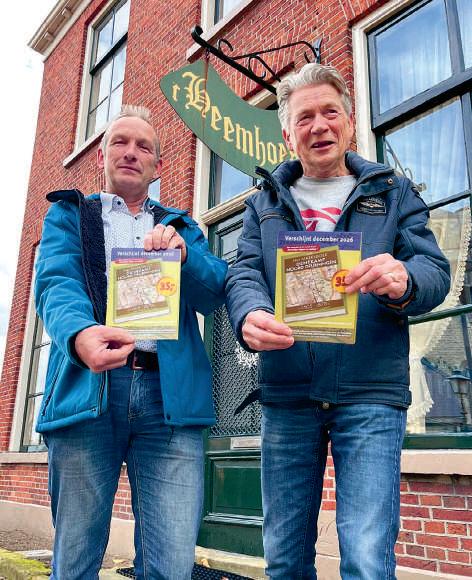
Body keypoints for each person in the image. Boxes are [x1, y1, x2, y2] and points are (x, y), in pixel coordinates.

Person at [225, 64, 450, 579]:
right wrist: (249, 313)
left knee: (367, 560)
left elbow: (434, 271)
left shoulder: (392, 192)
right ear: (288, 135)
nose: (319, 126)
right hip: (288, 394)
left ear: (349, 122)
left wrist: (405, 279)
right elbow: (244, 272)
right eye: (304, 117)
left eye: (330, 112)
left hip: (369, 392)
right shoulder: (263, 203)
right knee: (284, 559)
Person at [35, 105, 227, 580]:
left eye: (143, 146)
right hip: (90, 391)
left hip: (169, 398)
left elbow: (213, 293)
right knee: (75, 559)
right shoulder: (69, 216)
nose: (130, 152)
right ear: (101, 155)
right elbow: (56, 283)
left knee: (172, 564)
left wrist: (186, 258)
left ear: (157, 166)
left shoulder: (182, 227)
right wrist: (80, 335)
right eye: (119, 142)